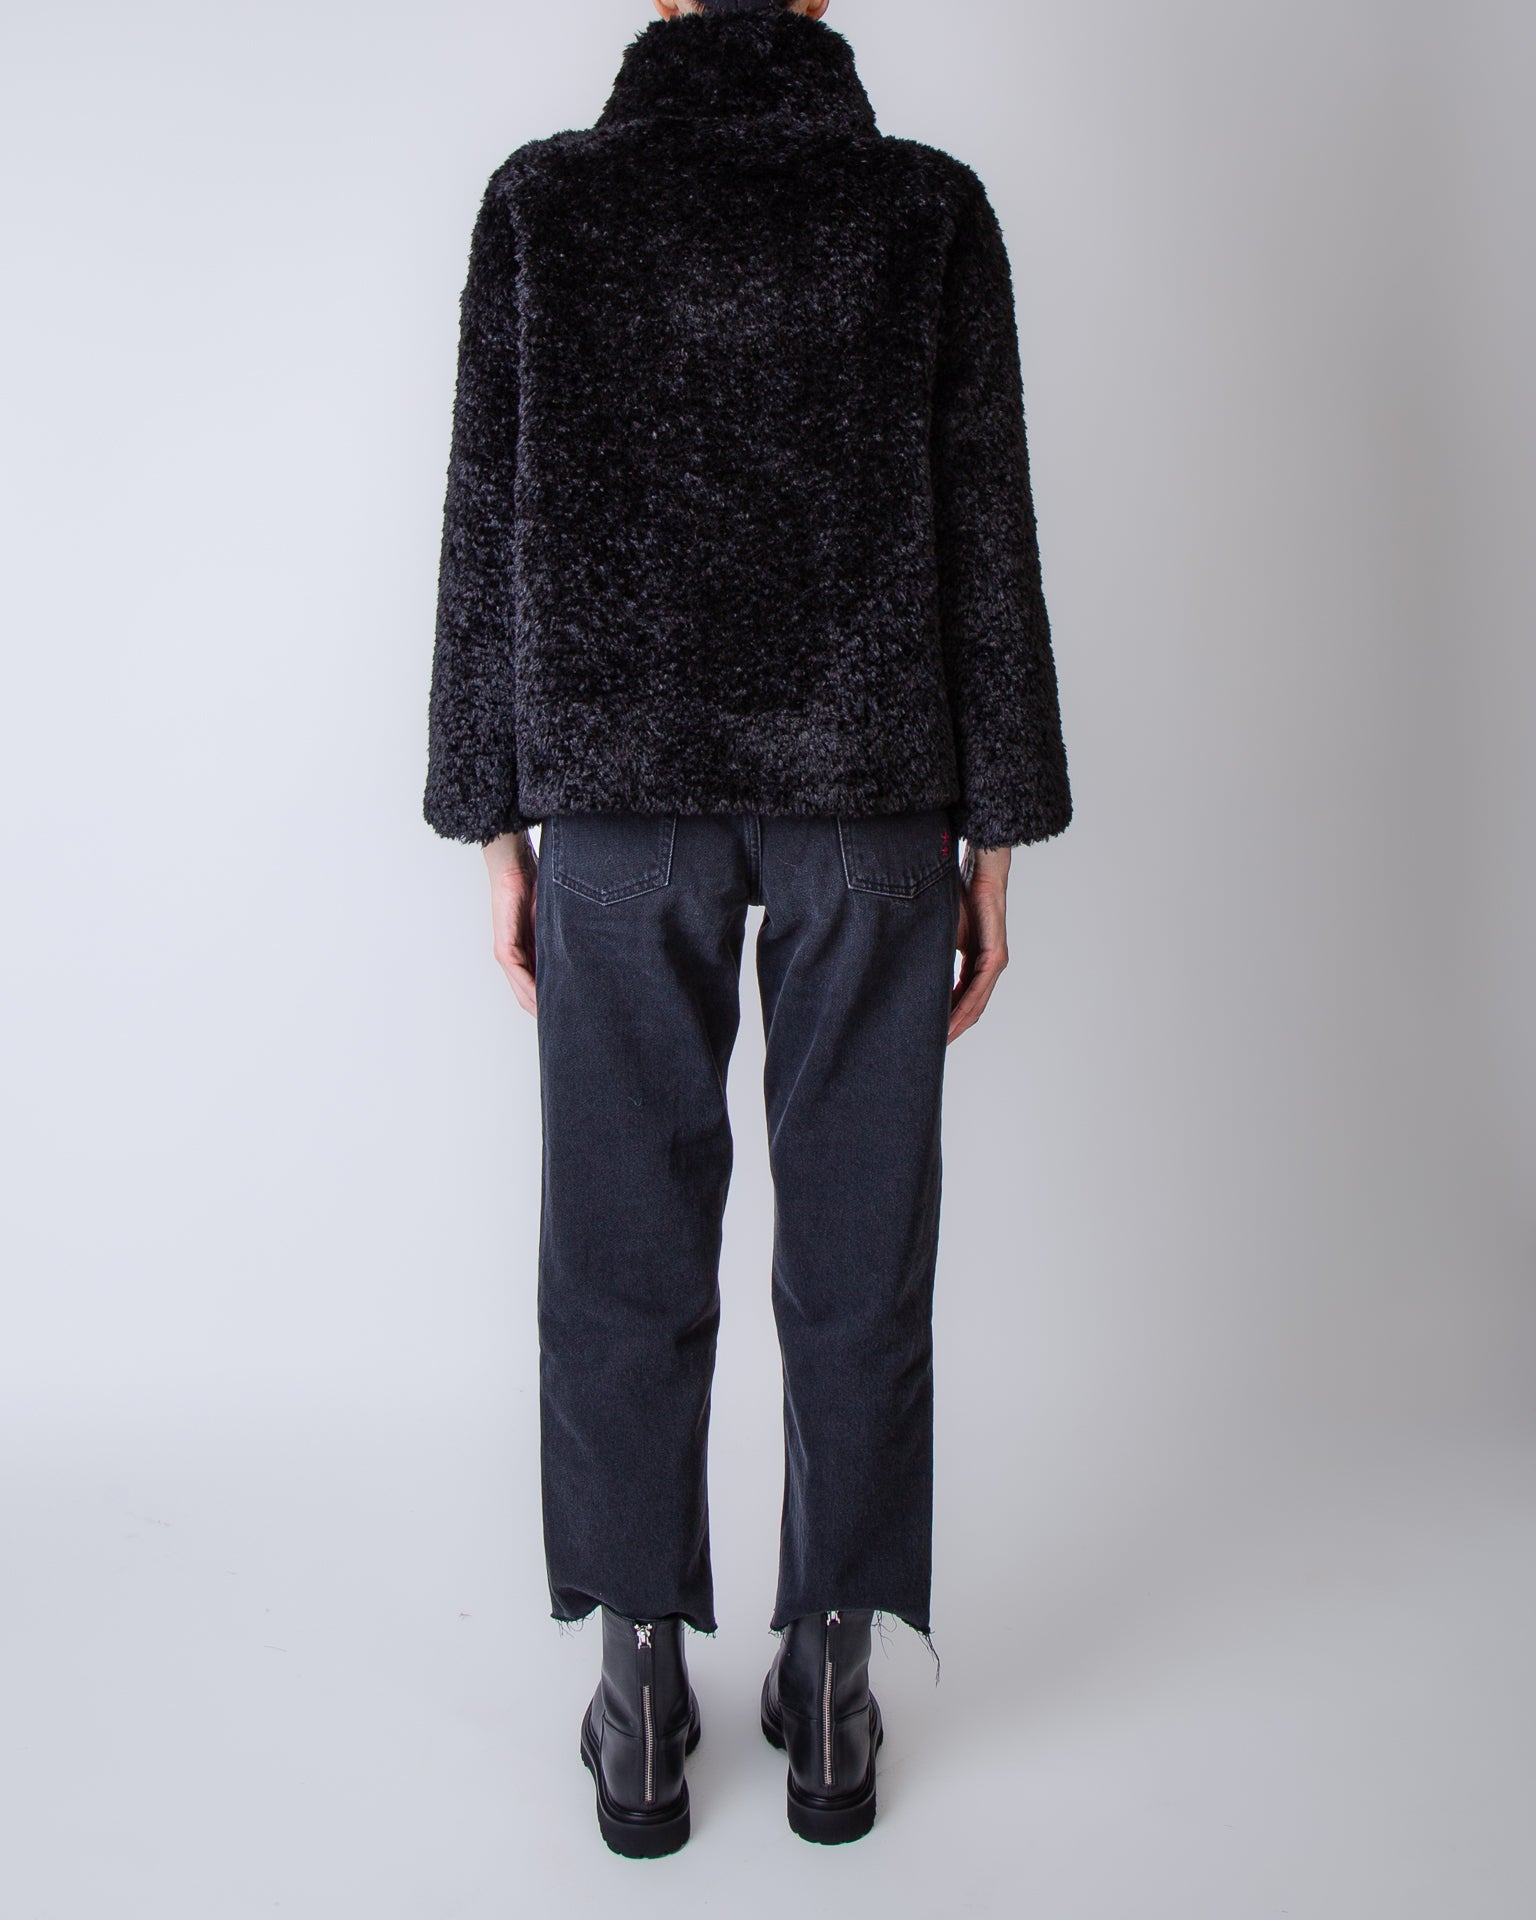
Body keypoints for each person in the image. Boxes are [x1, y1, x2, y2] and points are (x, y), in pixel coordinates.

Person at [423, 0, 1072, 1857]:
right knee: (858, 1253)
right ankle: (834, 1686)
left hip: (615, 802)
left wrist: (492, 817)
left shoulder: (544, 206)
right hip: (874, 798)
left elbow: (485, 532)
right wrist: (998, 833)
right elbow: (986, 531)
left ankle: (638, 1696)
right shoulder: (926, 209)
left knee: (619, 1250)